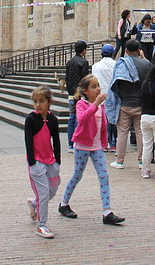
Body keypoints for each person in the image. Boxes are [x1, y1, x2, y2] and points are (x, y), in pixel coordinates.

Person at [58, 75, 125, 225]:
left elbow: (102, 123)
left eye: (98, 85)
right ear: (85, 91)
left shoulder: (100, 105)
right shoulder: (82, 104)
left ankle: (107, 212)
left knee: (104, 176)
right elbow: (82, 119)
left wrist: (104, 141)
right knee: (77, 175)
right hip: (82, 145)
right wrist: (95, 104)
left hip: (96, 147)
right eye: (93, 87)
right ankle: (63, 203)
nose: (98, 89)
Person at [25, 86, 61, 238]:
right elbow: (28, 141)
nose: (38, 105)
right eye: (35, 102)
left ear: (49, 102)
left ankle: (34, 203)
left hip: (50, 160)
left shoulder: (53, 119)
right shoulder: (31, 119)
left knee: (52, 189)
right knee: (44, 193)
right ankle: (42, 224)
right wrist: (32, 163)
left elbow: (56, 140)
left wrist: (57, 160)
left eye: (41, 101)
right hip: (37, 162)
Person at [109, 39, 150, 169]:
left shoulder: (121, 64)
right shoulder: (146, 64)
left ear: (125, 51)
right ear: (139, 50)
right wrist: (143, 58)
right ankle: (142, 161)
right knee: (140, 132)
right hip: (141, 103)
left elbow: (115, 84)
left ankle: (120, 161)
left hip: (124, 103)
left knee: (122, 133)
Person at [65, 40, 90, 151]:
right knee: (78, 119)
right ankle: (76, 142)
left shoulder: (69, 62)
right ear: (83, 50)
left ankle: (70, 144)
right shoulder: (83, 63)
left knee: (71, 118)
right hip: (79, 95)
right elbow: (85, 80)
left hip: (71, 94)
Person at [91, 44, 116, 150]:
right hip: (112, 95)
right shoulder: (115, 64)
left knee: (101, 120)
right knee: (112, 120)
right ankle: (113, 143)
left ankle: (103, 142)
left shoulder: (95, 66)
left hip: (100, 95)